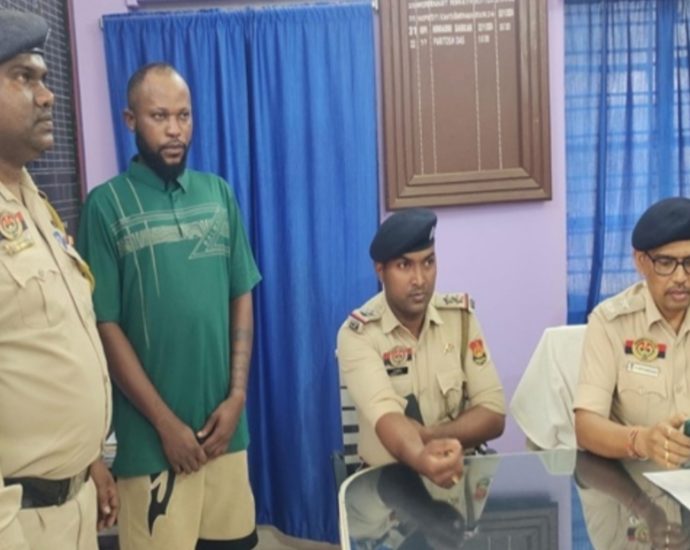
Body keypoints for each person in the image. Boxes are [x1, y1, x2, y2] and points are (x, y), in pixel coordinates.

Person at [77, 62, 261, 550]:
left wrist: (237, 398)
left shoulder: (218, 194)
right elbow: (105, 324)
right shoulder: (106, 207)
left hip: (225, 434)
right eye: (160, 116)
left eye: (184, 115)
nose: (175, 129)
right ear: (130, 120)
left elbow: (241, 292)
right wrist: (165, 424)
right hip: (151, 446)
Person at [0, 9, 115, 550]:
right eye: (23, 77)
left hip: (71, 505)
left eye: (44, 78)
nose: (47, 96)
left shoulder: (32, 202)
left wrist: (89, 460)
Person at [337, 208, 505, 488]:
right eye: (404, 266)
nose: (420, 279)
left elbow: (493, 414)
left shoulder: (460, 319)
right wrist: (420, 455)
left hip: (457, 478)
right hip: (387, 488)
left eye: (428, 262)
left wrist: (427, 437)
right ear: (380, 271)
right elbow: (387, 414)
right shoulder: (359, 334)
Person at [574, 197, 690, 469]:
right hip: (636, 479)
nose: (680, 277)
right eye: (666, 263)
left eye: (689, 262)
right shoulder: (611, 322)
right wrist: (641, 441)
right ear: (641, 261)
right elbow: (586, 426)